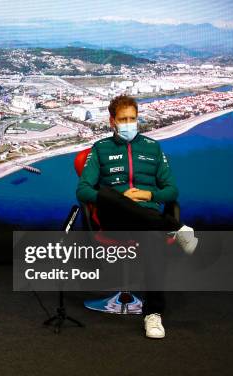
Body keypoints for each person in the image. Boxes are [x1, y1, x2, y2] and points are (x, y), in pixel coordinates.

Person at [76, 95, 198, 339]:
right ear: (112, 121)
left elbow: (171, 190)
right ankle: (174, 226)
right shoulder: (100, 149)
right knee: (107, 193)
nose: (129, 123)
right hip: (114, 219)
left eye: (133, 118)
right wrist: (121, 197)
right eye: (123, 119)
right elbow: (83, 190)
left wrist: (145, 193)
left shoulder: (153, 148)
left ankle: (153, 315)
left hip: (147, 217)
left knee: (152, 237)